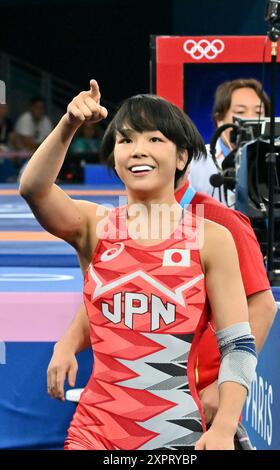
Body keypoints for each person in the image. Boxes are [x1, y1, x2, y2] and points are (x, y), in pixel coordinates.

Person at [20, 80, 257, 450]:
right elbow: (34, 189)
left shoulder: (212, 239)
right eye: (126, 141)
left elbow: (239, 345)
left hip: (174, 433)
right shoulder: (92, 226)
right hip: (94, 431)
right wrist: (68, 123)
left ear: (181, 157)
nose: (137, 150)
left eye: (154, 139)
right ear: (113, 157)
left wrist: (224, 427)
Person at [189, 78, 271, 205]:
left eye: (258, 112)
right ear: (219, 119)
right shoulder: (196, 161)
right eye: (240, 112)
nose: (251, 119)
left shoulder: (274, 160)